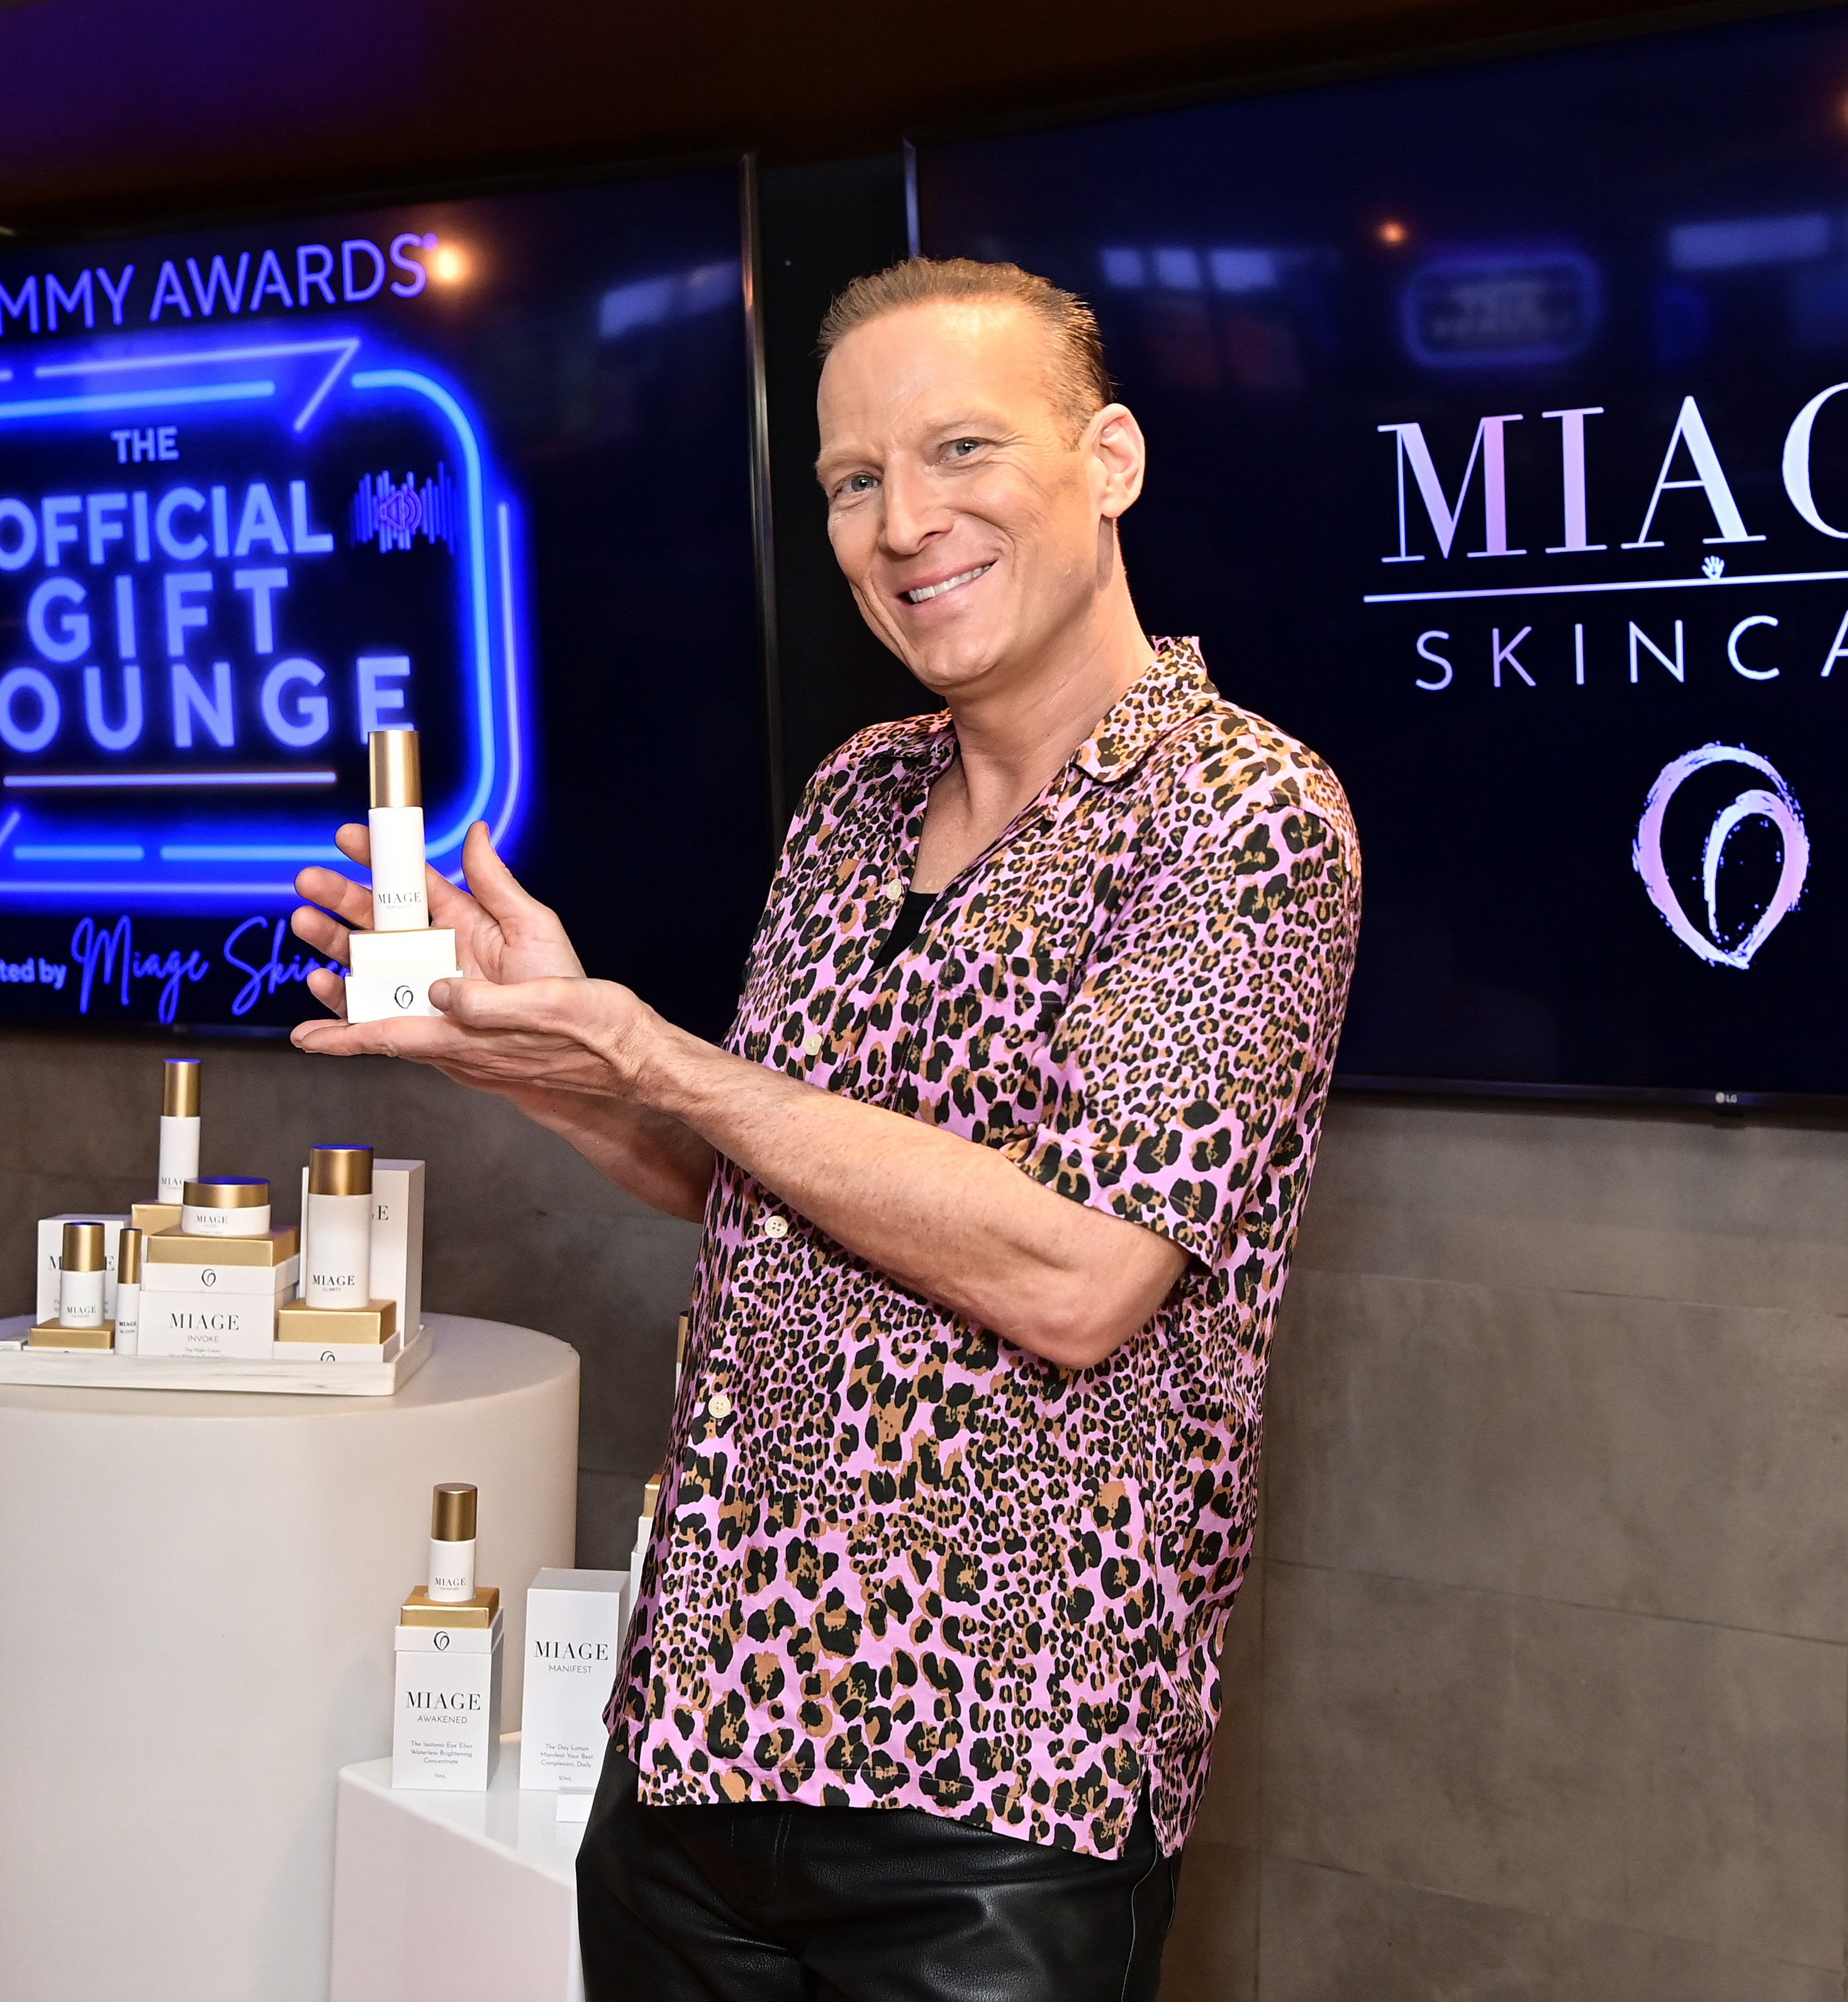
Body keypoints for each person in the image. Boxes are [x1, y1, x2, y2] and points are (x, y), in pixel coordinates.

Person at [288, 257, 1361, 1999]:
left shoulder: (1244, 811)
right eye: (855, 481)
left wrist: (662, 1053)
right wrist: (539, 1057)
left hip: (999, 1792)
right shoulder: (854, 799)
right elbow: (757, 1193)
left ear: (1112, 457)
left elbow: (1082, 1272)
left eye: (958, 451)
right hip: (697, 1741)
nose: (902, 521)